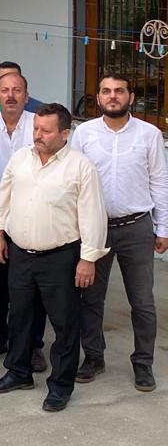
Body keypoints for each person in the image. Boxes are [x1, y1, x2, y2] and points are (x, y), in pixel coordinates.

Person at [0, 103, 109, 412]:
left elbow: (93, 217)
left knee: (64, 323)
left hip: (61, 258)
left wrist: (88, 259)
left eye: (46, 130)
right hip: (21, 254)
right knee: (20, 316)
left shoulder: (81, 168)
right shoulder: (20, 158)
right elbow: (3, 198)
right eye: (36, 128)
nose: (38, 135)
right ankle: (18, 372)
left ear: (65, 134)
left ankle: (60, 386)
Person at [71, 72, 168, 392]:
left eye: (119, 91)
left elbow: (159, 182)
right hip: (94, 228)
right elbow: (73, 181)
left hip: (137, 227)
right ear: (98, 97)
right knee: (90, 298)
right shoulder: (84, 134)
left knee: (142, 301)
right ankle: (93, 357)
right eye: (106, 91)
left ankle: (143, 363)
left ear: (130, 97)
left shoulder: (149, 134)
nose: (113, 96)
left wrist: (163, 227)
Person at [0, 71, 48, 372]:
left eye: (17, 90)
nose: (11, 96)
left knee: (32, 289)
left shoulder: (38, 125)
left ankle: (33, 345)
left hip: (32, 219)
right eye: (5, 90)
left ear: (27, 96)